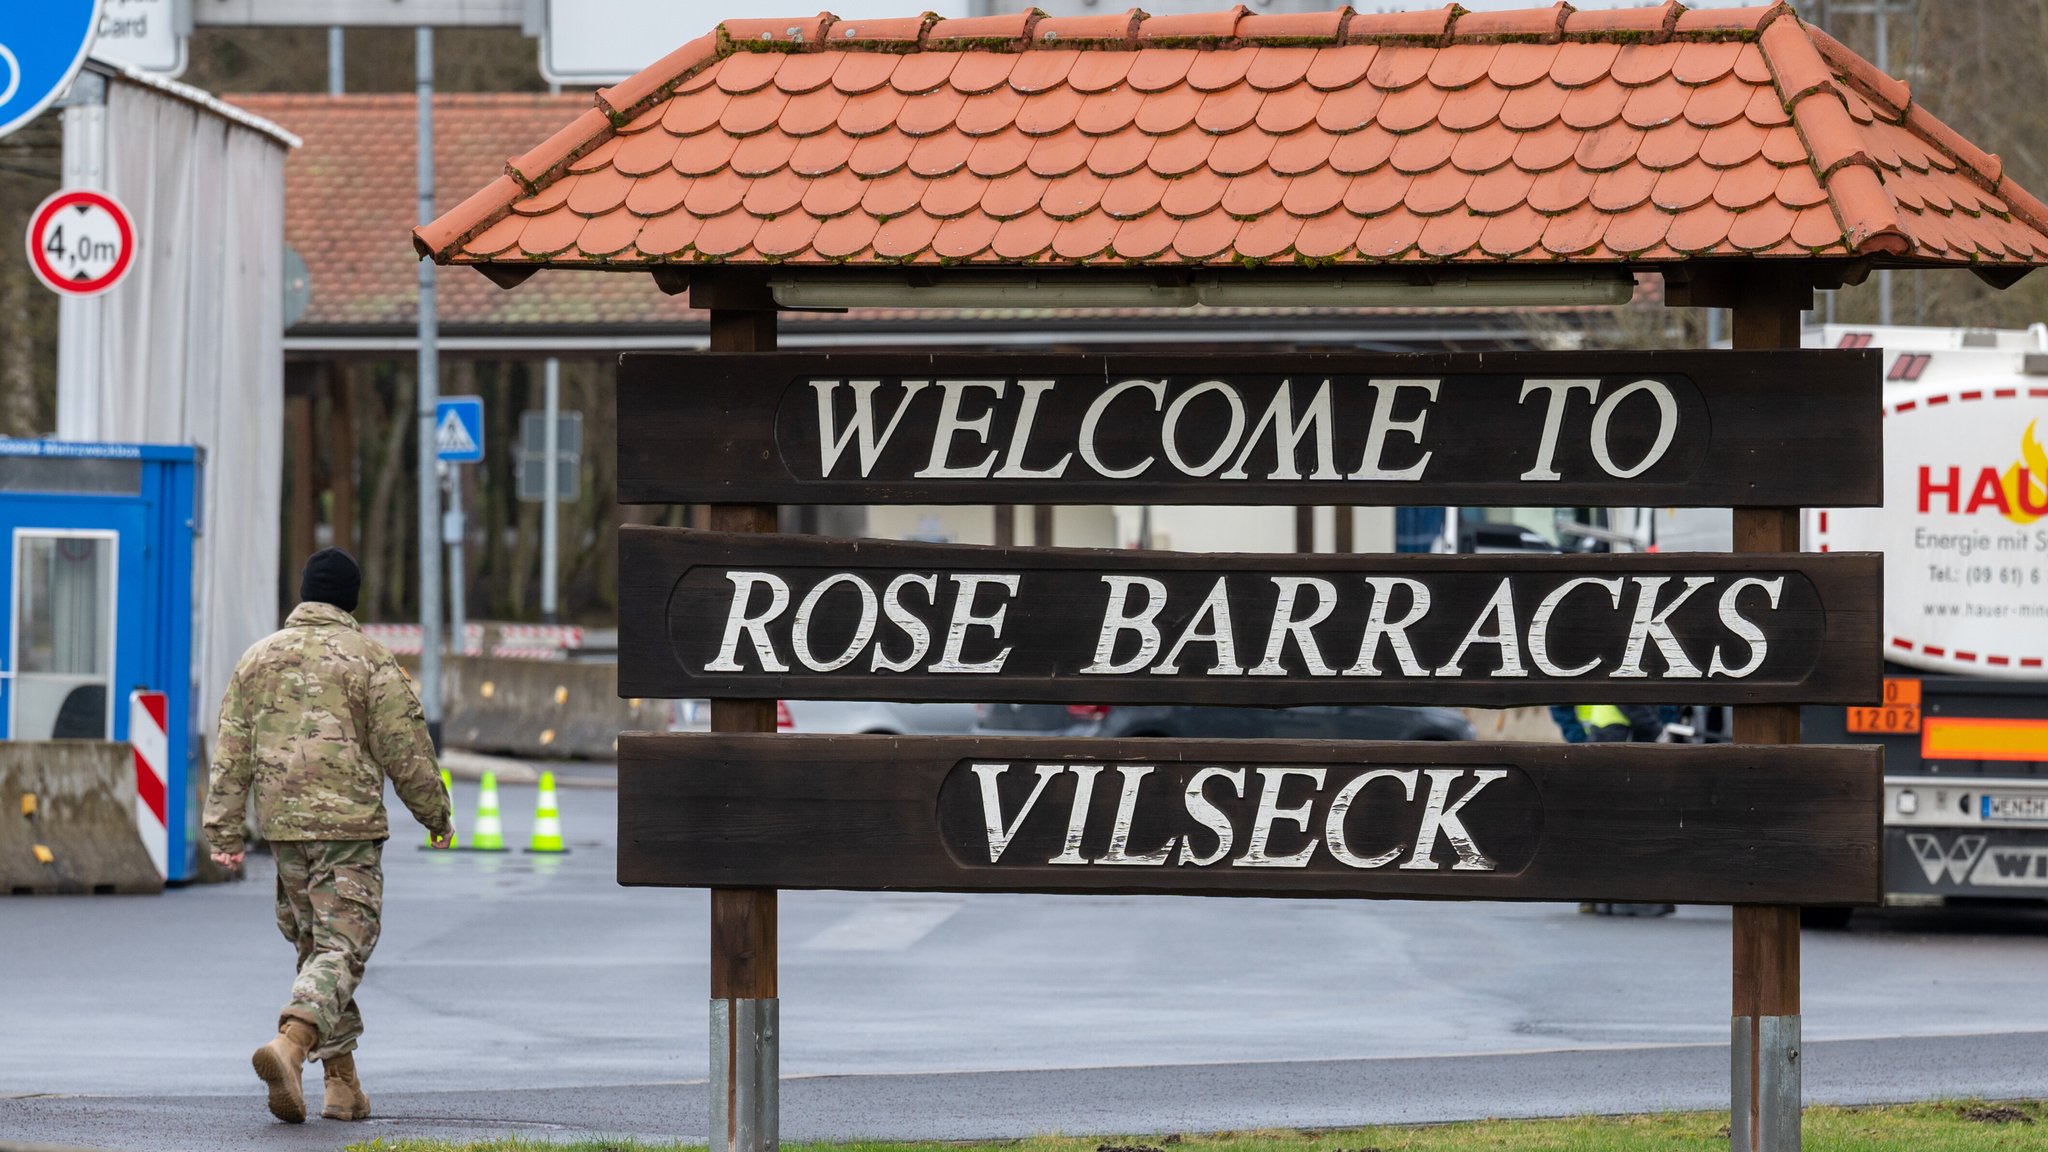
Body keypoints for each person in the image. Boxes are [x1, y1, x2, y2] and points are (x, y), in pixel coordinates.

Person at [202, 549, 454, 1124]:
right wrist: (435, 816)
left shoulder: (256, 659)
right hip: (349, 829)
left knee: (317, 953)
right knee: (343, 948)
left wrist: (223, 829)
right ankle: (290, 1045)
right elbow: (405, 749)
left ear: (304, 591)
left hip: (284, 831)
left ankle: (342, 1088)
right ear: (352, 598)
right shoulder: (370, 660)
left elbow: (231, 751)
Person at [1556, 705, 1677, 918]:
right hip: (1620, 730)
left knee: (1608, 816)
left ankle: (1603, 896)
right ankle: (1619, 896)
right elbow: (1630, 696)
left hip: (1612, 730)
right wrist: (1657, 730)